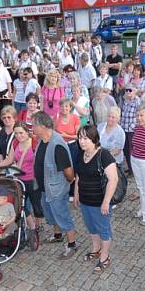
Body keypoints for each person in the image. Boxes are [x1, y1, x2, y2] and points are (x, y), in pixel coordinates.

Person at [31, 112, 77, 258]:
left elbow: (69, 172)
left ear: (43, 126)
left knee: (62, 215)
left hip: (56, 189)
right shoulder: (41, 140)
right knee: (50, 214)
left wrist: (66, 184)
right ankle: (58, 235)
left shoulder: (57, 144)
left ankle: (72, 245)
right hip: (45, 187)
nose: (32, 127)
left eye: (34, 125)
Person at [73, 125, 117, 273]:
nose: (82, 141)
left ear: (94, 138)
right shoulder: (81, 154)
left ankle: (104, 257)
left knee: (103, 229)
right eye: (80, 138)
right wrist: (76, 194)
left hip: (99, 202)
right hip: (85, 200)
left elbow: (113, 180)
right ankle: (96, 249)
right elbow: (78, 176)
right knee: (91, 227)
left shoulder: (104, 155)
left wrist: (106, 201)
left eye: (85, 138)